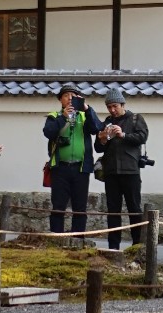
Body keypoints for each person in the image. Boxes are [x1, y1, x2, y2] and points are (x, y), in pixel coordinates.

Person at [43, 86, 103, 238]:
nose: (70, 98)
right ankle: (56, 239)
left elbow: (97, 127)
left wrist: (87, 109)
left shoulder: (84, 116)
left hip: (81, 168)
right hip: (60, 168)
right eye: (66, 96)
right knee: (58, 206)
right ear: (60, 100)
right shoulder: (54, 116)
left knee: (80, 207)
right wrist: (63, 117)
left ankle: (78, 240)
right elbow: (48, 132)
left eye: (74, 96)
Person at [95, 92, 149, 250]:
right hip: (111, 172)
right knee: (113, 211)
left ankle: (137, 246)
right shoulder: (106, 122)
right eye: (109, 107)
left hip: (130, 171)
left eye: (115, 106)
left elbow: (142, 137)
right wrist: (103, 138)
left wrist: (123, 134)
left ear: (122, 105)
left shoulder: (135, 119)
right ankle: (113, 247)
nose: (112, 110)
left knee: (134, 209)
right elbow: (98, 148)